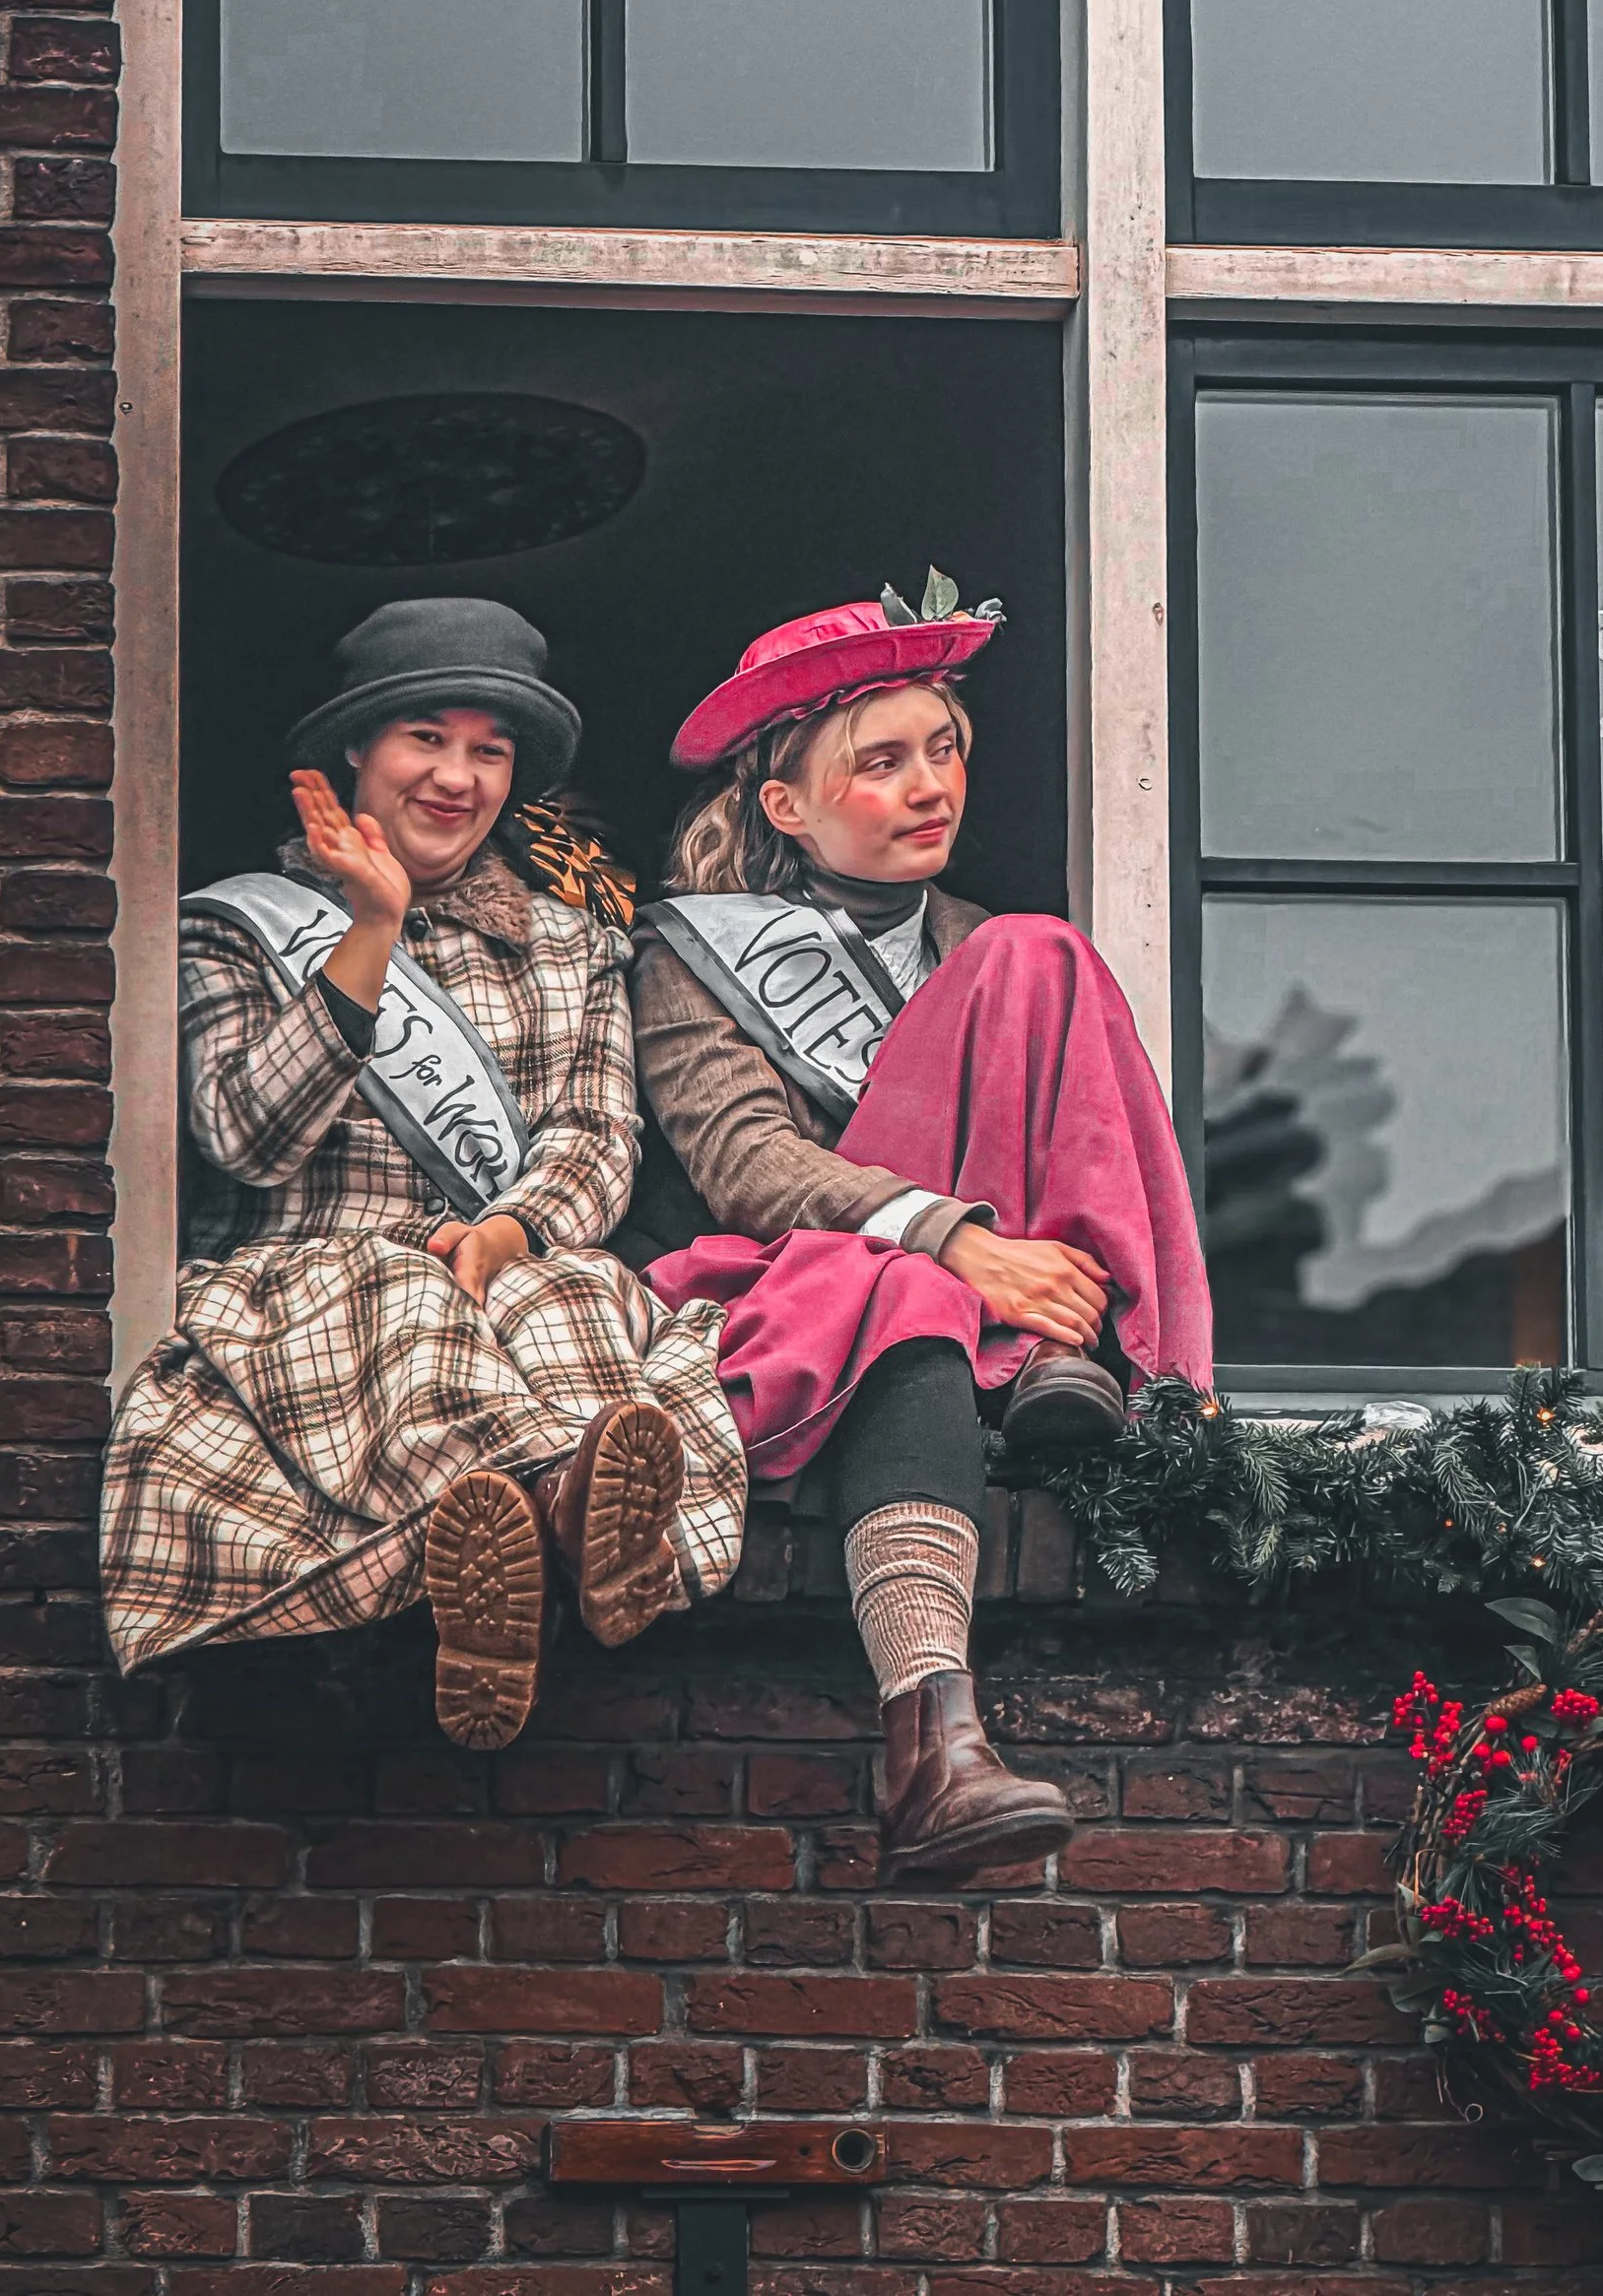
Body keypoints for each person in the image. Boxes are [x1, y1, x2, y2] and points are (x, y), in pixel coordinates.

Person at [635, 581, 1214, 1880]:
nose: (928, 786)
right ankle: (937, 1730)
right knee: (908, 1275)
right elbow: (745, 1162)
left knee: (1031, 954)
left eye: (942, 749)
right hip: (798, 1290)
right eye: (882, 762)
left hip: (943, 1310)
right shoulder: (689, 955)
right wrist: (954, 1240)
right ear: (785, 803)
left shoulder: (985, 946)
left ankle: (937, 1738)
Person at [101, 599, 747, 1749]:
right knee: (398, 1292)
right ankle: (563, 1519)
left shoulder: (574, 944)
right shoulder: (230, 935)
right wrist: (370, 931)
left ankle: (523, 1549)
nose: (457, 777)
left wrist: (504, 1237)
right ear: (357, 748)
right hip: (310, 1286)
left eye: (489, 750)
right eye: (426, 739)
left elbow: (594, 1142)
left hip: (512, 1265)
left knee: (573, 1297)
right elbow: (247, 1137)